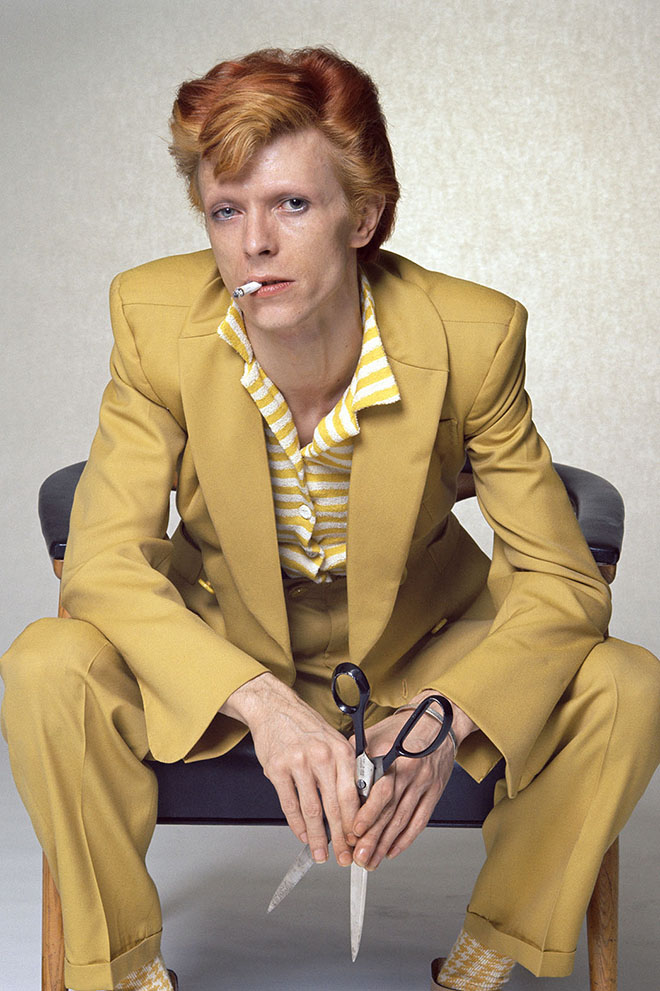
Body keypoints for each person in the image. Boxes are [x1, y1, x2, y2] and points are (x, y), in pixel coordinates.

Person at [1, 46, 659, 991]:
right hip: (228, 651)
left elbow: (560, 579)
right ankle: (123, 971)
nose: (252, 244)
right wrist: (260, 703)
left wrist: (446, 716)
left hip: (419, 651)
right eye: (227, 210)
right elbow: (102, 564)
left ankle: (490, 948)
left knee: (626, 684)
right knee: (43, 663)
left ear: (368, 214)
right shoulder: (152, 319)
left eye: (292, 205)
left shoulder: (473, 337)